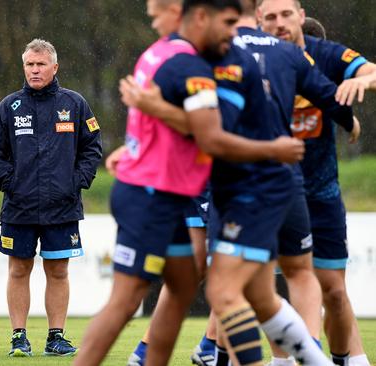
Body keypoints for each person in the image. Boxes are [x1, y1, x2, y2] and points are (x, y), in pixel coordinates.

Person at [75, 0, 313, 364]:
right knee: (125, 302)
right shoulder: (190, 66)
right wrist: (273, 148)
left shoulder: (158, 53)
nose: (236, 34)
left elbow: (168, 123)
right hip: (150, 196)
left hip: (163, 193)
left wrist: (139, 143)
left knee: (185, 285)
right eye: (230, 22)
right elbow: (212, 137)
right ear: (197, 15)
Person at [259, 1, 376, 365]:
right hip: (273, 191)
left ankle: (343, 358)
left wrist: (361, 79)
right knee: (280, 290)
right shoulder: (250, 59)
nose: (280, 24)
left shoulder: (325, 55)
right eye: (271, 17)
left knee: (334, 292)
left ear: (300, 15)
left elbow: (370, 71)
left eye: (286, 15)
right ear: (258, 21)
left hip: (321, 192)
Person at [0, 38, 102, 357]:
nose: (34, 70)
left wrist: (76, 182)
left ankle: (56, 337)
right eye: (29, 64)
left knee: (58, 271)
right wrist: (10, 181)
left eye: (40, 64)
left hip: (62, 207)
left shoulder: (75, 104)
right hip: (18, 207)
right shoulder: (8, 106)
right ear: (24, 67)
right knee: (18, 270)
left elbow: (93, 147)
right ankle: (19, 337)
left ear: (54, 67)